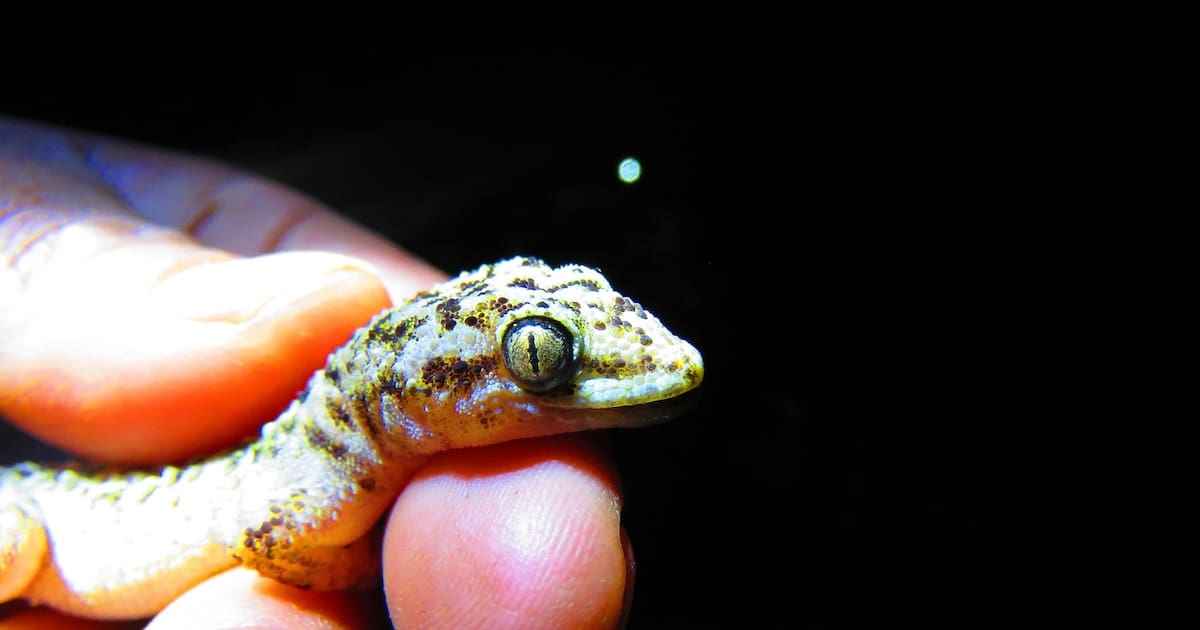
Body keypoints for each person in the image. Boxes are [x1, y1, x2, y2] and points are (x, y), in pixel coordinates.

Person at [0, 116, 633, 629]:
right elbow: (265, 538)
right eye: (538, 361)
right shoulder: (325, 486)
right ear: (418, 393)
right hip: (39, 517)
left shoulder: (351, 461)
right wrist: (364, 567)